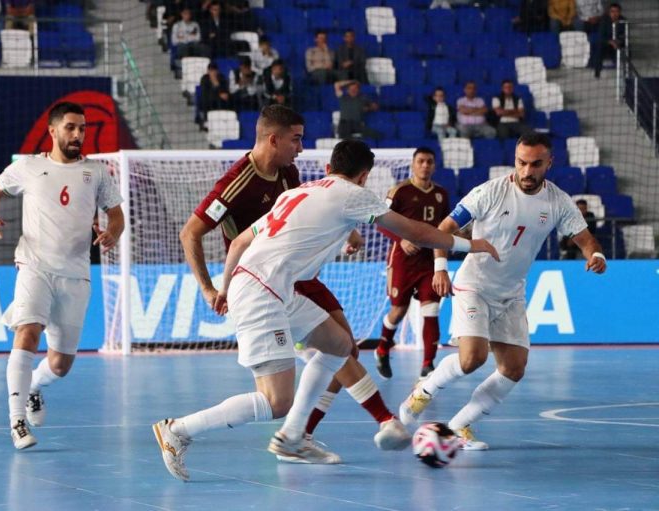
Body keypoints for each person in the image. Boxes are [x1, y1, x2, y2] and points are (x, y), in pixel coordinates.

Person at [156, 139, 498, 481]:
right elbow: (417, 232)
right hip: (263, 293)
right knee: (276, 401)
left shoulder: (296, 192)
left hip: (271, 288)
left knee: (339, 344)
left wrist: (228, 286)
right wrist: (471, 244)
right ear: (363, 177)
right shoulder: (352, 193)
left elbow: (242, 240)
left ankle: (293, 436)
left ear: (328, 168)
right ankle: (179, 429)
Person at [175, 105, 414, 466]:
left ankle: (298, 434)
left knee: (341, 345)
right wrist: (210, 289)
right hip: (260, 281)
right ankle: (327, 429)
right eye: (296, 139)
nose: (301, 148)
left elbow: (315, 206)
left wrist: (347, 229)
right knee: (288, 388)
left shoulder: (289, 172)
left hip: (296, 276)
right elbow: (190, 232)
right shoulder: (236, 182)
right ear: (274, 139)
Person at [398, 131, 606, 450]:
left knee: (513, 368)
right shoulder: (489, 192)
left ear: (549, 163)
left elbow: (585, 239)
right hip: (474, 285)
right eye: (521, 163)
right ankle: (424, 390)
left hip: (511, 293)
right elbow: (444, 229)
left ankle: (458, 426)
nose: (527, 171)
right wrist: (440, 268)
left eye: (535, 164)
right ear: (515, 160)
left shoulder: (559, 201)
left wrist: (596, 255)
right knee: (472, 359)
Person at [0, 102, 124, 450]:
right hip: (34, 264)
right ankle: (16, 422)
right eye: (71, 128)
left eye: (83, 128)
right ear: (53, 131)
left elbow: (116, 215)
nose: (78, 134)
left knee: (61, 364)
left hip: (75, 273)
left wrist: (112, 233)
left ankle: (35, 386)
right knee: (28, 332)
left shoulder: (98, 172)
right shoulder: (28, 166)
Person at [374, 147, 451, 381]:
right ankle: (383, 348)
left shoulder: (441, 194)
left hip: (430, 260)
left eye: (429, 161)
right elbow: (380, 222)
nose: (425, 165)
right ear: (413, 164)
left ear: (434, 166)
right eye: (421, 161)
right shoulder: (399, 191)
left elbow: (445, 225)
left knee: (431, 309)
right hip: (403, 261)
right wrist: (402, 239)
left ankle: (428, 365)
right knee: (399, 310)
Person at [592, 2, 625, 79]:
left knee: (627, 50)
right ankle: (597, 72)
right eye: (612, 11)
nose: (614, 14)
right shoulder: (604, 20)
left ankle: (625, 72)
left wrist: (618, 42)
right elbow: (601, 36)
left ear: (620, 12)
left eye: (616, 11)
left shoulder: (623, 21)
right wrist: (611, 42)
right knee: (599, 48)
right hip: (606, 43)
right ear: (609, 12)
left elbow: (624, 35)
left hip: (618, 43)